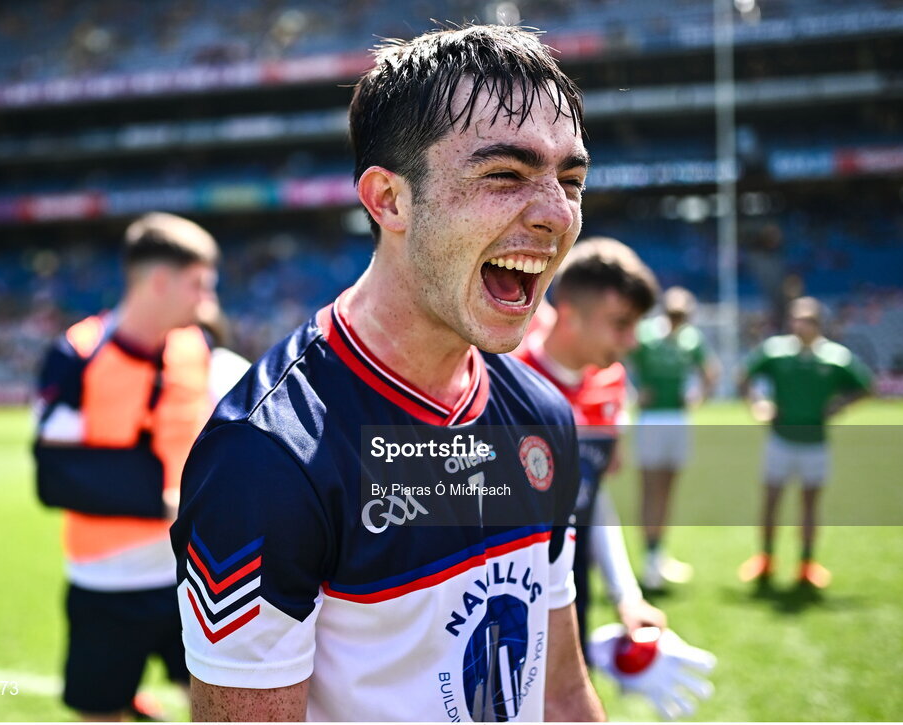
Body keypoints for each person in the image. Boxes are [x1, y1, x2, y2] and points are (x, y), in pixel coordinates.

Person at [171, 25, 605, 721]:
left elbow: (558, 692)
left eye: (572, 179)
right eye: (505, 175)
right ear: (389, 200)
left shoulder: (543, 417)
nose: (558, 214)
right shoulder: (265, 457)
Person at [33, 212, 220, 720]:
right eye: (199, 285)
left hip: (196, 579)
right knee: (102, 710)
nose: (209, 301)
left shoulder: (198, 347)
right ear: (159, 281)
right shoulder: (76, 354)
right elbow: (56, 476)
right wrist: (160, 502)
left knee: (226, 704)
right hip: (107, 583)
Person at [514, 238, 665, 645]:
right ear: (569, 315)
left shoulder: (612, 383)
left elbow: (590, 496)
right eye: (621, 324)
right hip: (498, 582)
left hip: (570, 575)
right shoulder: (503, 378)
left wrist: (627, 597)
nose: (632, 341)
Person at [737, 296, 872, 588]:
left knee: (809, 505)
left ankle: (807, 563)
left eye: (807, 319)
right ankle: (766, 558)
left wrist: (841, 405)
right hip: (780, 439)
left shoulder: (835, 357)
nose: (800, 325)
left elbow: (866, 386)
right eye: (796, 318)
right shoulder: (776, 351)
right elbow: (744, 375)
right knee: (771, 500)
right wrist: (758, 404)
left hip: (815, 441)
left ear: (818, 324)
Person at [628, 286, 719, 590]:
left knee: (667, 490)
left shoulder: (690, 339)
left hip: (678, 419)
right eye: (674, 313)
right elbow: (614, 358)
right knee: (651, 489)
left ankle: (658, 553)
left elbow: (710, 371)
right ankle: (649, 559)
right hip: (651, 419)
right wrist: (632, 392)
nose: (678, 319)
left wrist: (698, 395)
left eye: (683, 315)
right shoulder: (645, 335)